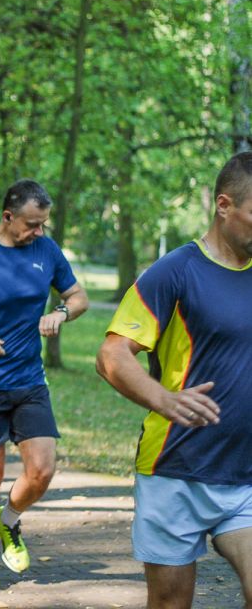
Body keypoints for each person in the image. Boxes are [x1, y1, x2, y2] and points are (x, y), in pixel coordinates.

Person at [96, 152, 252, 609]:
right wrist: (163, 399)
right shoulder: (176, 271)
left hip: (244, 474)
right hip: (176, 469)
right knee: (170, 603)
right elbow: (111, 355)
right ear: (224, 205)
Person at [0, 179, 89, 590]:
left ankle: (8, 519)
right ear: (8, 217)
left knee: (43, 470)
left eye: (43, 224)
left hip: (30, 380)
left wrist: (61, 313)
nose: (39, 232)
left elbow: (78, 296)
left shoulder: (46, 250)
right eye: (32, 224)